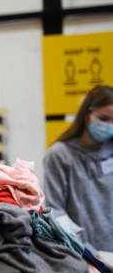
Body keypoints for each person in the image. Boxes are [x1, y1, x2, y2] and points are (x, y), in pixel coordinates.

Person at [43, 85, 113, 252]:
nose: (109, 126)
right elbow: (56, 211)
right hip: (84, 256)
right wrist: (89, 253)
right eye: (103, 119)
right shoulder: (60, 155)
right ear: (86, 116)